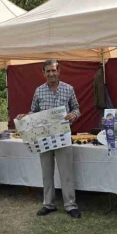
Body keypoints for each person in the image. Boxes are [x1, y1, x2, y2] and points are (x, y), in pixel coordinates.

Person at [16, 59, 82, 219]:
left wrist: (73, 114)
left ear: (59, 71)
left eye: (54, 70)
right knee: (46, 172)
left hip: (62, 136)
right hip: (43, 137)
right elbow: (34, 112)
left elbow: (77, 108)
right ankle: (48, 204)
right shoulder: (39, 91)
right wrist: (25, 117)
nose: (51, 74)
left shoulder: (68, 89)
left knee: (66, 172)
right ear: (43, 73)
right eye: (48, 71)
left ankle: (70, 205)